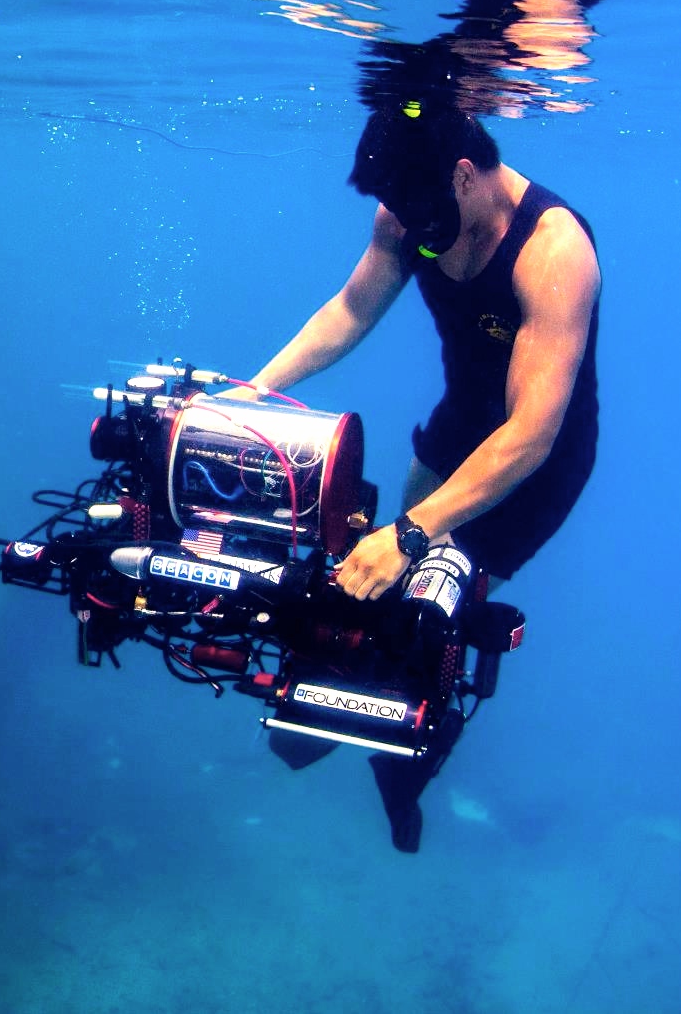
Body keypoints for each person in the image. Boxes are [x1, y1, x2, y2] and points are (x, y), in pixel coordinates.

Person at [237, 99, 601, 851]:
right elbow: (349, 310)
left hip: (540, 460)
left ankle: (404, 777)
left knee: (425, 616)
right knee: (368, 593)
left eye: (422, 214)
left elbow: (531, 434)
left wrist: (408, 534)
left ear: (465, 175)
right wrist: (253, 394)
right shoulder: (409, 212)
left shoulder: (554, 252)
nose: (409, 230)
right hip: (454, 428)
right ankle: (348, 703)